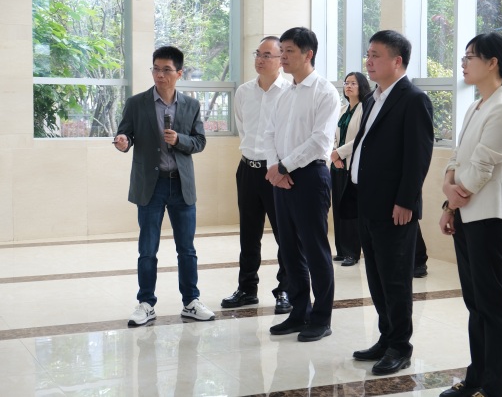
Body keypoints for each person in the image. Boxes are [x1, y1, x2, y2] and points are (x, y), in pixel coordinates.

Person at [438, 33, 502, 397]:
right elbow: (459, 157)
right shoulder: (476, 106)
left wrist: (454, 198)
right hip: (466, 212)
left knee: (493, 305)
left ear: (493, 63)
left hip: (489, 216)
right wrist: (447, 193)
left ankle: (495, 387)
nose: (463, 62)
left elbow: (483, 166)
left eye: (470, 56)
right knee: (476, 303)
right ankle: (476, 378)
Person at [349, 30, 434, 375]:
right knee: (376, 277)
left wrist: (406, 201)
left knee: (396, 280)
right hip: (368, 202)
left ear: (397, 61)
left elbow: (418, 156)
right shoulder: (374, 97)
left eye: (376, 55)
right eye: (368, 54)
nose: (368, 62)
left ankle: (400, 346)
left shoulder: (413, 99)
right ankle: (386, 338)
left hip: (394, 208)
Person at [113, 46, 215, 327]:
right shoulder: (137, 103)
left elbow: (199, 142)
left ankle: (191, 301)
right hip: (151, 185)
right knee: (147, 249)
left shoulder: (191, 105)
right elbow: (125, 134)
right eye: (156, 69)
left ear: (179, 73)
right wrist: (123, 141)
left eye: (166, 70)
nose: (160, 75)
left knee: (187, 249)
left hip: (181, 185)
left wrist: (179, 140)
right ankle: (146, 303)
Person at [263, 27, 340, 342]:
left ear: (309, 54)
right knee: (289, 249)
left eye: (289, 51)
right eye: (281, 50)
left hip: (310, 176)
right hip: (281, 177)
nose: (282, 56)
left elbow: (320, 140)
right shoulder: (284, 93)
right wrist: (275, 167)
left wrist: (284, 166)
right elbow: (269, 133)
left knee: (314, 249)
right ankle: (298, 312)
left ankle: (321, 318)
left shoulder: (325, 92)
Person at [220, 36, 292, 314]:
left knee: (285, 235)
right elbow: (243, 128)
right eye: (258, 54)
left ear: (281, 60)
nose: (260, 60)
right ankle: (247, 289)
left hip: (275, 172)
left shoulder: (289, 92)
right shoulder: (244, 92)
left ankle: (285, 289)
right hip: (247, 169)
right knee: (248, 234)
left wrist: (279, 166)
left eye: (267, 55)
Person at [330, 71, 371, 267]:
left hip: (353, 165)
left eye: (353, 83)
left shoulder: (365, 109)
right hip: (337, 165)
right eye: (346, 83)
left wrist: (339, 153)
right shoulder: (343, 109)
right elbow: (332, 135)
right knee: (338, 208)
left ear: (361, 86)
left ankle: (352, 252)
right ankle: (341, 250)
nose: (348, 86)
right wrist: (334, 155)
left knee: (350, 211)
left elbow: (362, 138)